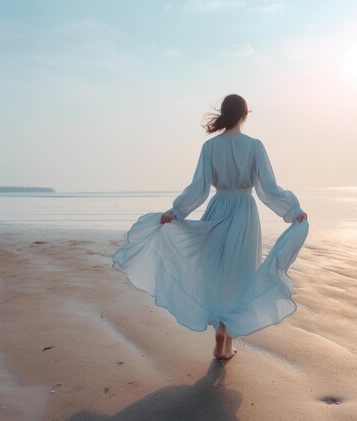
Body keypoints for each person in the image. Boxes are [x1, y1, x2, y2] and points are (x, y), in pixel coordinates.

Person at [113, 94, 308, 361]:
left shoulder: (210, 147)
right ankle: (226, 336)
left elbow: (199, 188)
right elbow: (268, 189)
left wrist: (177, 211)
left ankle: (219, 333)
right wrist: (293, 211)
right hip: (244, 214)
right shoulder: (254, 146)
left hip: (217, 210)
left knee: (215, 270)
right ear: (245, 114)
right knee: (239, 274)